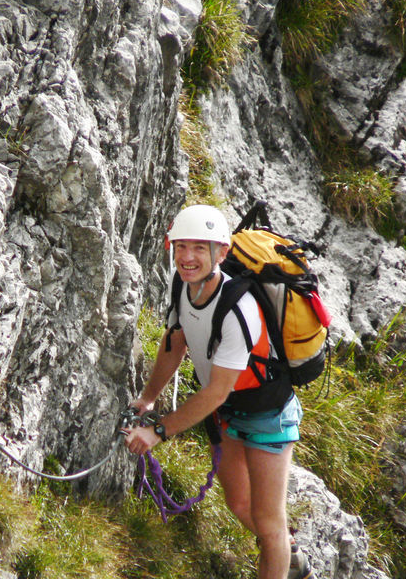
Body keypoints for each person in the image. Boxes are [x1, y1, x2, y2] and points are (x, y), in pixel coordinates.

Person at [123, 204, 314, 579]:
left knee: (268, 522)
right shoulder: (183, 284)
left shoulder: (239, 308)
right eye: (181, 246)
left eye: (200, 248)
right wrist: (148, 397)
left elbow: (216, 392)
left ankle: (289, 562)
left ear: (221, 253)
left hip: (267, 415)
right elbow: (175, 342)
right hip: (228, 414)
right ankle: (288, 555)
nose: (187, 257)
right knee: (239, 503)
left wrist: (158, 430)